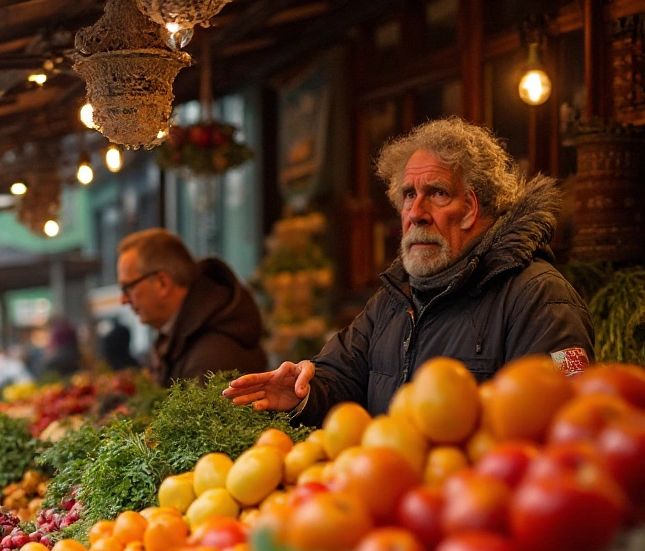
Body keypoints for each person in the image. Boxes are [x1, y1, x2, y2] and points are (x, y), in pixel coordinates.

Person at [224, 118, 594, 425]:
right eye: (407, 196)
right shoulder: (394, 298)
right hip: (393, 499)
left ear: (472, 206)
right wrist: (304, 392)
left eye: (437, 193)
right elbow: (342, 374)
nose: (415, 212)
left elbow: (560, 430)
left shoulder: (540, 298)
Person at [117, 228, 267, 385]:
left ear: (162, 283)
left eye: (128, 287)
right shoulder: (186, 335)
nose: (124, 300)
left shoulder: (210, 360)